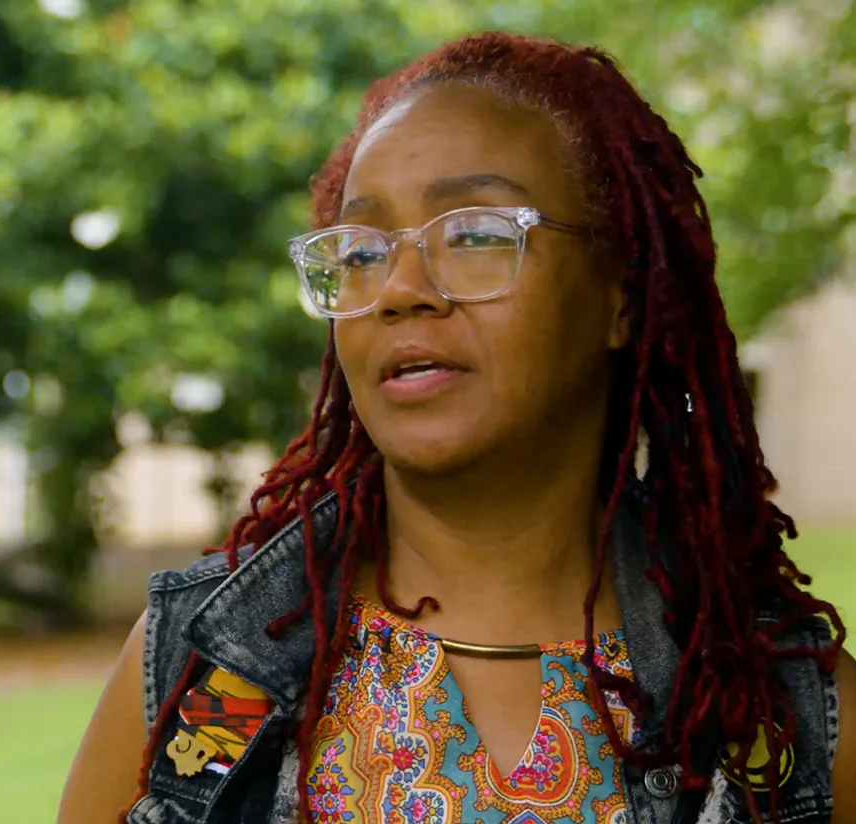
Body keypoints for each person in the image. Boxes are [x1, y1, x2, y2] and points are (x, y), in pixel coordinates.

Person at [59, 31, 856, 824]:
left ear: (621, 291)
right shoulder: (196, 677)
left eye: (475, 234)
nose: (401, 288)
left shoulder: (782, 712)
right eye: (360, 252)